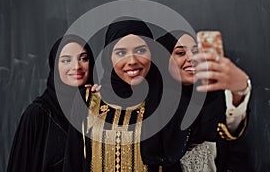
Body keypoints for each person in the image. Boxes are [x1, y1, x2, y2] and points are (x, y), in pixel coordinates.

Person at [63, 18, 185, 171]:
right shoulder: (88, 100)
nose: (132, 60)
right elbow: (73, 163)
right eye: (121, 52)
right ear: (109, 58)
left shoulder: (167, 101)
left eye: (140, 51)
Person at [157, 31, 251, 172]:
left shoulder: (215, 97)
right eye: (180, 53)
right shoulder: (151, 106)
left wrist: (239, 90)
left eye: (196, 52)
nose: (191, 58)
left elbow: (232, 133)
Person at [7, 35, 96, 172]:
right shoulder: (37, 115)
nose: (77, 66)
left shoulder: (98, 110)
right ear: (55, 66)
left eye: (83, 59)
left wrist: (102, 103)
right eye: (66, 60)